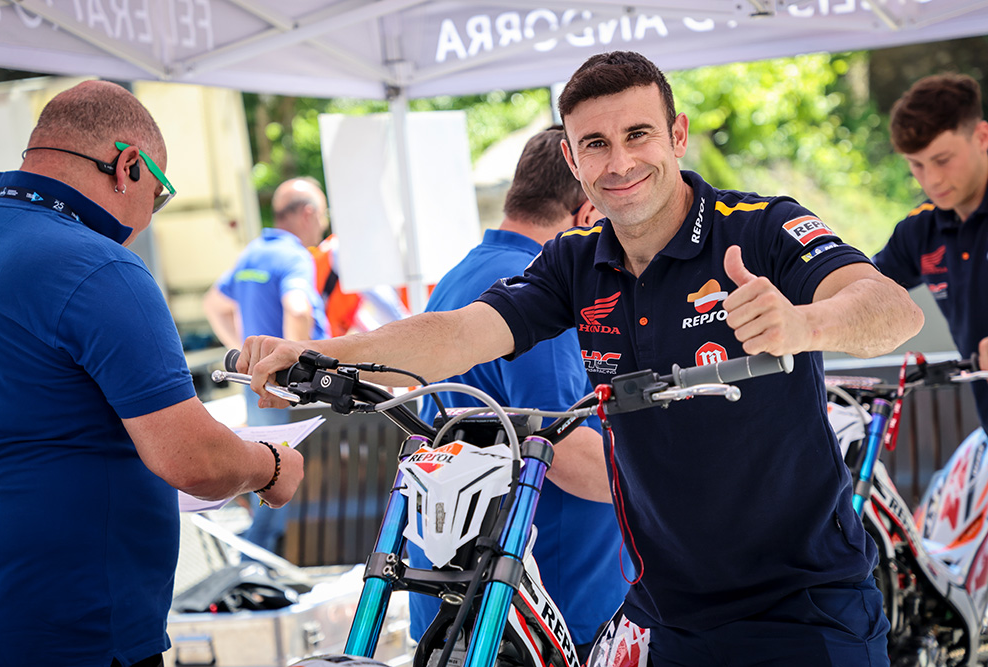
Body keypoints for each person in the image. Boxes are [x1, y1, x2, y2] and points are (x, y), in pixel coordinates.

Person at [237, 51, 924, 665]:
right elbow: (459, 333)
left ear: (677, 135)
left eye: (638, 135)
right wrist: (320, 354)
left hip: (804, 606)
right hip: (669, 617)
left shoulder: (760, 226)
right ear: (572, 160)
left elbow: (894, 309)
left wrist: (803, 323)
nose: (619, 163)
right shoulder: (575, 261)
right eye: (595, 143)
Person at [0, 80, 303, 667]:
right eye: (156, 197)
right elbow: (193, 460)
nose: (148, 221)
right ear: (128, 166)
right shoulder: (98, 266)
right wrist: (272, 466)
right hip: (69, 626)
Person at [406, 127, 624, 660]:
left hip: (469, 595)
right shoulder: (537, 288)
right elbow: (561, 447)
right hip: (548, 605)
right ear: (586, 214)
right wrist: (674, 490)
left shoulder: (465, 273)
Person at [203, 176, 330, 554]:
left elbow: (213, 305)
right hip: (290, 391)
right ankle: (259, 558)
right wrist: (296, 366)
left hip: (257, 386)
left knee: (268, 476)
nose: (324, 225)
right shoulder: (295, 256)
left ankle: (257, 557)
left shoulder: (253, 253)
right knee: (290, 479)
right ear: (308, 213)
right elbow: (298, 309)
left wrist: (246, 355)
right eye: (323, 215)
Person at [871, 73, 988, 429]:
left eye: (943, 159)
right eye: (917, 164)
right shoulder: (920, 231)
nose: (932, 179)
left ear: (982, 137)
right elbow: (861, 286)